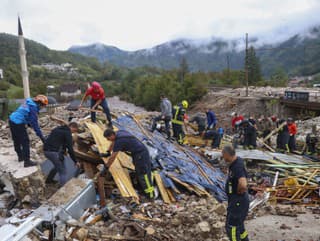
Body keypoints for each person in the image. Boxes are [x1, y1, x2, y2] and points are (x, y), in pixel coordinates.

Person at [102, 129, 154, 199]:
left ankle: (150, 195)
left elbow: (113, 156)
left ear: (112, 135)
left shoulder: (120, 141)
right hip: (137, 154)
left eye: (108, 138)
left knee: (143, 174)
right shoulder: (118, 133)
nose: (108, 140)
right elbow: (113, 143)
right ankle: (142, 189)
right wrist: (108, 152)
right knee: (138, 171)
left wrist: (106, 167)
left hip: (141, 155)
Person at [9, 95, 48, 167]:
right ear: (39, 103)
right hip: (18, 123)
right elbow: (35, 124)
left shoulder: (28, 102)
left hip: (12, 119)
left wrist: (29, 124)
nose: (42, 108)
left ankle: (20, 157)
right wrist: (42, 137)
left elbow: (25, 114)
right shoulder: (33, 108)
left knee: (16, 140)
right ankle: (27, 161)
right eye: (43, 106)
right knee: (25, 141)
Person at [222, 146, 249, 241]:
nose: (223, 157)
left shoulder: (237, 166)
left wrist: (238, 191)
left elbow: (243, 184)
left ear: (227, 154)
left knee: (232, 227)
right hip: (237, 200)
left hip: (238, 201)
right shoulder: (236, 162)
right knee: (239, 225)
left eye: (223, 155)